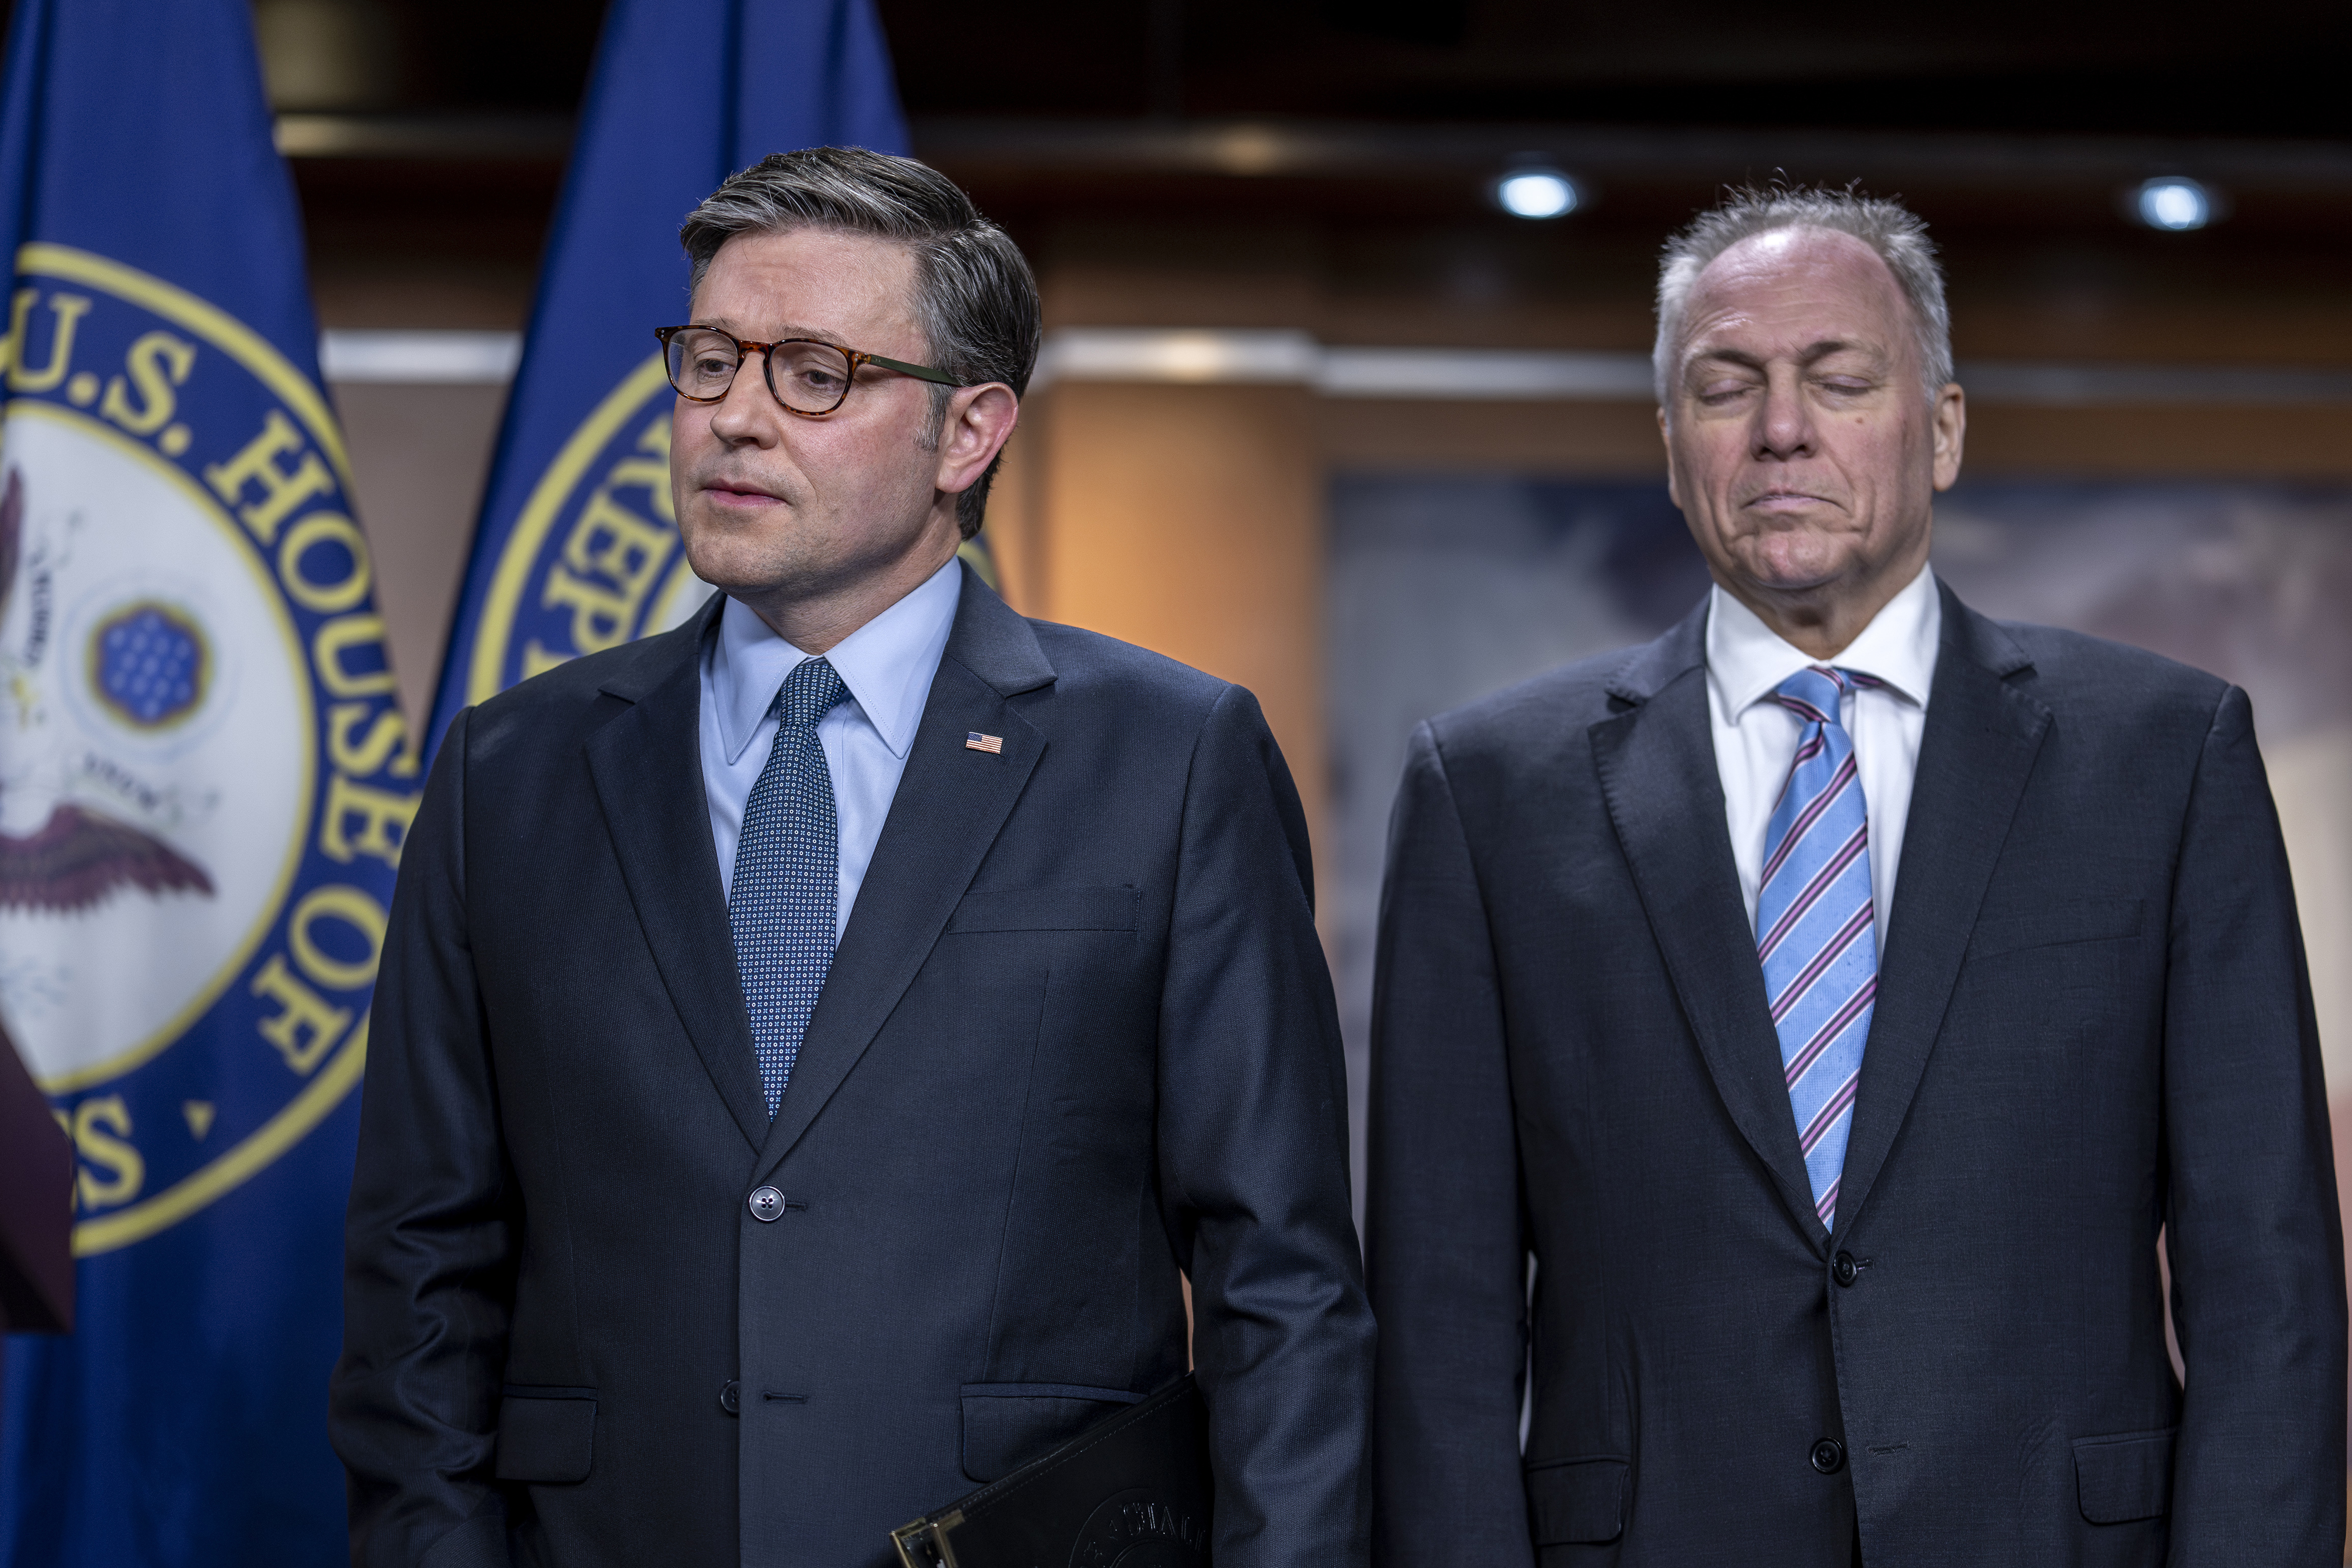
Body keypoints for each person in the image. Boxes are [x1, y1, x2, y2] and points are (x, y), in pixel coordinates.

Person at [331, 147, 1372, 1568]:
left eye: (812, 372)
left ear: (968, 434)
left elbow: (1281, 1282)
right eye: (707, 362)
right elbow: (420, 1274)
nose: (733, 421)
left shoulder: (1170, 758)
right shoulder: (507, 773)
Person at [1365, 186, 2346, 1566]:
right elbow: (1438, 1312)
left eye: (1837, 380)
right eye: (1727, 387)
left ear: (1939, 429)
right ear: (1670, 445)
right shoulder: (1488, 793)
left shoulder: (2165, 758)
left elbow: (2269, 1290)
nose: (1781, 430)